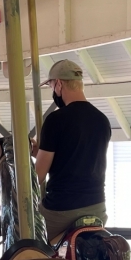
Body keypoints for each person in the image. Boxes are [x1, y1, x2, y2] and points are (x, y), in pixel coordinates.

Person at [34, 59, 113, 242]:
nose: (53, 91)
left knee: (25, 238)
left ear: (59, 84)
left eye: (52, 85)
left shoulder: (55, 120)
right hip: (97, 207)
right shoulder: (102, 120)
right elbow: (76, 156)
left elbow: (38, 176)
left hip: (62, 210)